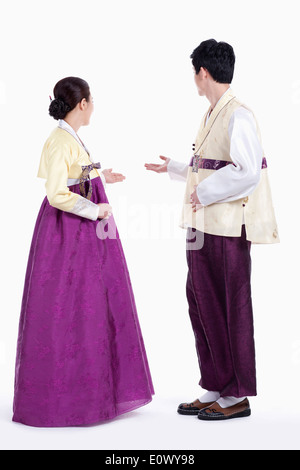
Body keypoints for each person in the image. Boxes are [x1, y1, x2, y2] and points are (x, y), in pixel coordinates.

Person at [145, 39, 279, 421]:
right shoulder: (212, 114)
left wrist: (202, 192)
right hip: (200, 226)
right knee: (201, 303)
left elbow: (247, 172)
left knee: (229, 306)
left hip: (224, 228)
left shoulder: (239, 115)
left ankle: (236, 394)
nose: (194, 79)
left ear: (203, 73)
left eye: (194, 73)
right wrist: (173, 167)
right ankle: (215, 385)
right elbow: (211, 164)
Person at [12, 76, 154, 427]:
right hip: (69, 231)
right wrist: (96, 210)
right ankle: (68, 395)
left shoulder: (67, 136)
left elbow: (76, 174)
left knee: (87, 301)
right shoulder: (60, 140)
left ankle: (90, 390)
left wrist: (102, 174)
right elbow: (57, 192)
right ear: (82, 104)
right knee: (70, 304)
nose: (93, 105)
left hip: (80, 230)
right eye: (92, 100)